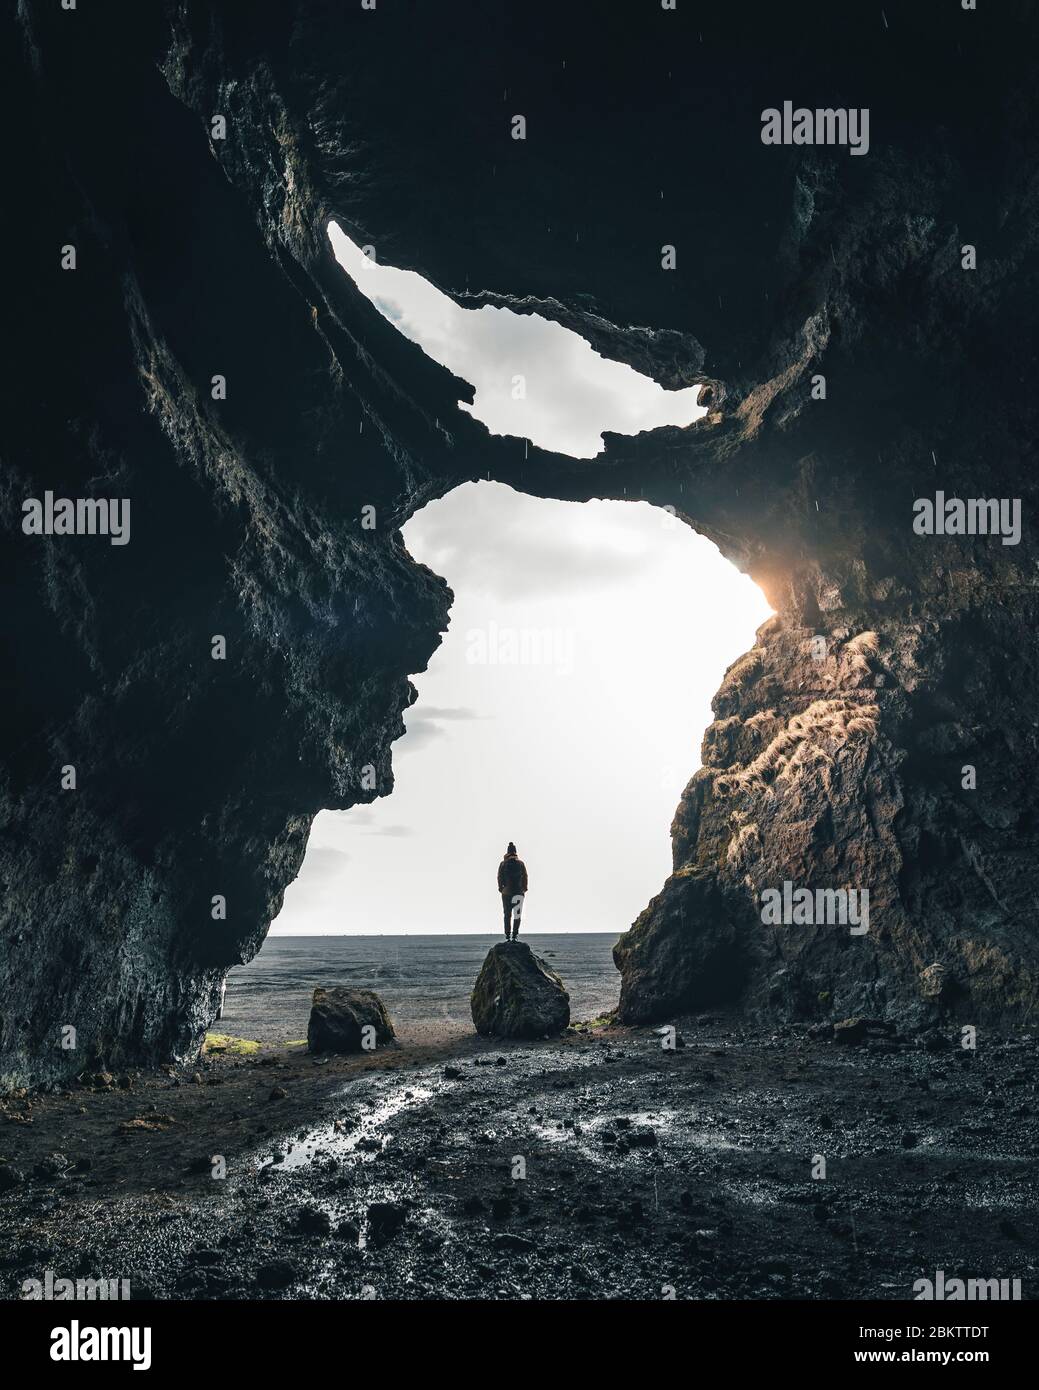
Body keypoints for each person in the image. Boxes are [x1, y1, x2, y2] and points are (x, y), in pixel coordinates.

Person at [497, 841, 528, 940]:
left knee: (507, 914)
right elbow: (525, 877)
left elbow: (499, 877)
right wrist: (524, 888)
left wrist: (501, 888)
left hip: (506, 892)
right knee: (517, 914)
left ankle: (507, 935)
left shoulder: (503, 864)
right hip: (519, 892)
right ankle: (515, 934)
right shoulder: (520, 863)